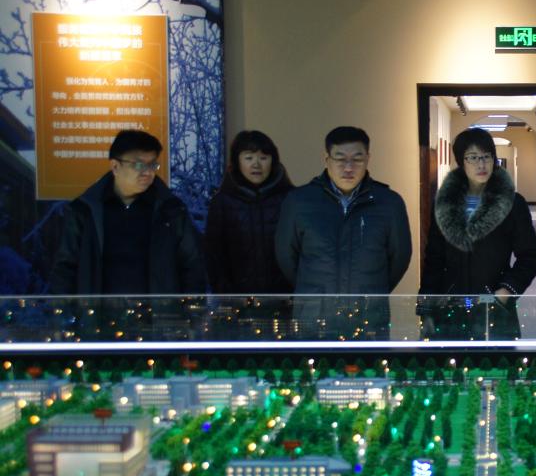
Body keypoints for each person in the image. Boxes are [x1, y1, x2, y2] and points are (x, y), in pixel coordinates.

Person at [275, 126, 412, 339]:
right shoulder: (299, 201)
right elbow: (286, 257)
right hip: (313, 318)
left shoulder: (389, 203)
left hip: (369, 319)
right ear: (326, 159)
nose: (348, 167)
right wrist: (312, 291)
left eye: (357, 159)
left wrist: (373, 291)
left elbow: (400, 258)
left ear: (368, 159)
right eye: (340, 159)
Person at [418, 128, 536, 340]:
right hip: (450, 306)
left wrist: (507, 291)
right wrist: (426, 307)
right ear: (461, 161)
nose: (481, 164)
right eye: (473, 157)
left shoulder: (512, 203)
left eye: (487, 157)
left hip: (494, 305)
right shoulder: (445, 204)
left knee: (496, 360)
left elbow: (530, 256)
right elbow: (434, 260)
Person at [50, 129, 205, 295]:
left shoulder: (171, 211)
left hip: (158, 310)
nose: (148, 172)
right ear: (115, 166)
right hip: (98, 310)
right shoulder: (85, 210)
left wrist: (190, 307)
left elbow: (192, 266)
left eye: (153, 165)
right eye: (139, 165)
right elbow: (65, 268)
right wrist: (64, 308)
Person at [205, 130, 294, 294]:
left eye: (263, 158)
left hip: (285, 297)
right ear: (237, 162)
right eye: (249, 158)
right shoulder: (222, 202)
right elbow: (214, 255)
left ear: (273, 161)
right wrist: (226, 293)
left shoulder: (291, 199)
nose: (256, 164)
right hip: (237, 299)